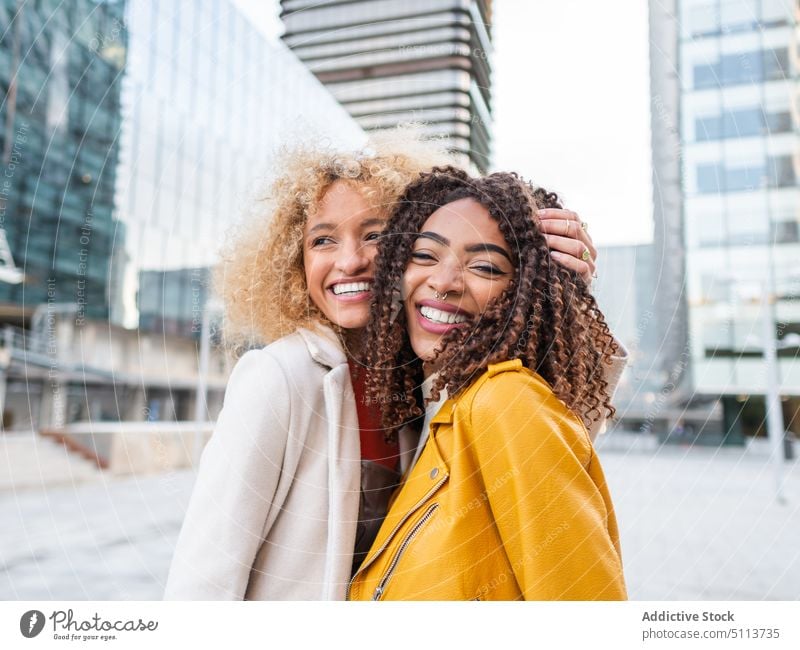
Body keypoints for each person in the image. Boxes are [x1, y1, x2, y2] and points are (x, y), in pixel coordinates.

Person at [163, 133, 619, 600]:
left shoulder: (423, 379)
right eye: (323, 240)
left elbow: (545, 452)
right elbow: (202, 583)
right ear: (294, 262)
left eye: (374, 235)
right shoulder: (279, 378)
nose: (349, 261)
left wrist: (553, 282)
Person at [348, 166, 627, 600]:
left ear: (526, 293)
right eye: (424, 255)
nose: (442, 283)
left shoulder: (506, 400)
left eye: (484, 266)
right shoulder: (429, 411)